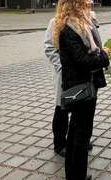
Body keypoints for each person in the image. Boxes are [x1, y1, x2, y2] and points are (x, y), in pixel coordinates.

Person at [53, 0, 110, 180]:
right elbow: (83, 61)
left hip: (87, 85)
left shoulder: (82, 23)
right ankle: (77, 176)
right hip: (80, 88)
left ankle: (75, 174)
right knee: (80, 135)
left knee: (78, 132)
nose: (90, 0)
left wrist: (99, 54)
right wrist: (103, 56)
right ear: (75, 0)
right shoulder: (69, 28)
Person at [44, 18, 68, 157]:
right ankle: (60, 144)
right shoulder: (55, 22)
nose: (88, 2)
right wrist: (62, 67)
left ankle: (76, 139)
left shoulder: (84, 18)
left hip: (80, 74)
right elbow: (49, 47)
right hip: (64, 74)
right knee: (62, 108)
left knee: (79, 107)